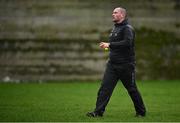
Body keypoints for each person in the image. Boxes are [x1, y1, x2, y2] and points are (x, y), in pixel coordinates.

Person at [86, 7, 146, 117]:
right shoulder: (115, 28)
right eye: (112, 12)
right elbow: (117, 45)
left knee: (132, 89)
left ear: (122, 15)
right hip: (112, 65)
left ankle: (141, 112)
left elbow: (127, 43)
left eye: (115, 12)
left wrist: (109, 45)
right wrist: (108, 46)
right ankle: (98, 112)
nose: (112, 14)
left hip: (126, 65)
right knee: (105, 89)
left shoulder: (127, 29)